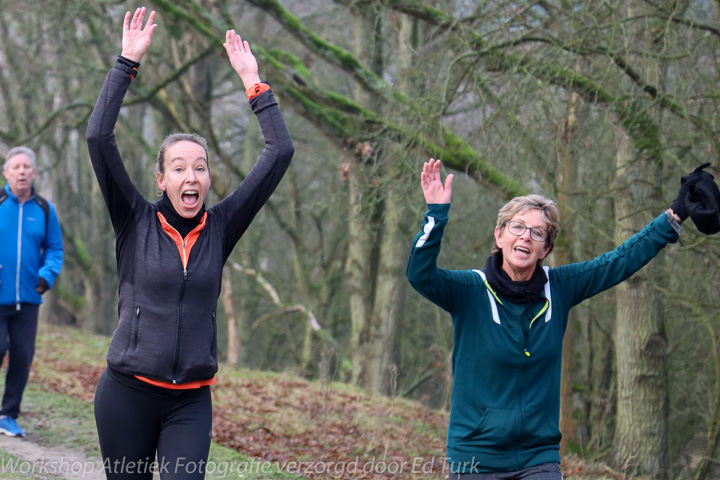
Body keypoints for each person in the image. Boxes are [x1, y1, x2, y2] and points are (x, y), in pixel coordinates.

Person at [86, 7, 293, 479]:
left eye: (199, 166)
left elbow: (279, 152)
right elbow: (99, 136)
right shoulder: (134, 220)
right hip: (126, 394)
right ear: (162, 179)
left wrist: (253, 83)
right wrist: (125, 64)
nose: (190, 176)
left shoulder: (222, 226)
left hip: (190, 401)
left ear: (209, 176)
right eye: (178, 167)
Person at [406, 158, 711, 479]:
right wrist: (436, 215)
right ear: (499, 236)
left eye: (537, 233)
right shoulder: (469, 291)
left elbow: (619, 261)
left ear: (546, 249)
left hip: (538, 457)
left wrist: (674, 216)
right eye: (517, 227)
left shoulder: (560, 288)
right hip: (475, 456)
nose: (525, 237)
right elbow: (420, 274)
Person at [0, 146, 64, 437]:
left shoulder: (44, 210)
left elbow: (54, 249)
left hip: (28, 298)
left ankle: (8, 416)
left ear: (34, 173)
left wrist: (46, 275)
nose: (22, 172)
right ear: (6, 173)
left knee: (23, 356)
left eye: (27, 167)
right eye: (16, 167)